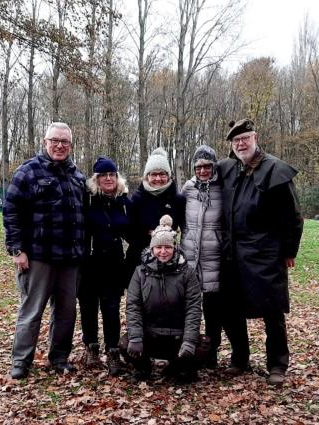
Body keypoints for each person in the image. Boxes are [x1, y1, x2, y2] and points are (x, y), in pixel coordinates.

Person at [218, 118, 303, 386]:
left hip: (265, 253)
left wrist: (289, 250)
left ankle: (277, 364)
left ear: (255, 138)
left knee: (272, 311)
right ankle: (240, 358)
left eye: (245, 139)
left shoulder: (275, 170)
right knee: (231, 309)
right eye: (236, 141)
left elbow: (293, 216)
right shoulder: (228, 168)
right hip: (232, 253)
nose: (241, 144)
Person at [3, 122, 85, 380]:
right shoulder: (28, 172)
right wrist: (17, 249)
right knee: (31, 312)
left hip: (70, 258)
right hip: (38, 257)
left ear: (70, 145)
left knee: (66, 313)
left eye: (65, 141)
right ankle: (21, 361)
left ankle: (59, 358)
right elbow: (11, 211)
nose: (60, 145)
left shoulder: (77, 176)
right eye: (55, 140)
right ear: (45, 141)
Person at [121, 215, 202, 383]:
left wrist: (189, 340)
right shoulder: (140, 272)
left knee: (202, 347)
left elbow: (193, 308)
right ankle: (143, 368)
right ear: (152, 249)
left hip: (177, 335)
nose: (163, 252)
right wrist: (136, 337)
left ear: (175, 248)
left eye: (168, 247)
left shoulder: (187, 273)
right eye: (158, 247)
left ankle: (177, 368)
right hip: (150, 335)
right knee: (125, 343)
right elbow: (133, 307)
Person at [78, 156, 131, 376]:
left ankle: (112, 352)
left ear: (117, 178)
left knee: (111, 309)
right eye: (103, 175)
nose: (108, 178)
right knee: (88, 307)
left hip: (113, 263)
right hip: (89, 262)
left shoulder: (123, 201)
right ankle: (91, 347)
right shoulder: (87, 199)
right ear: (96, 179)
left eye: (112, 174)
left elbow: (132, 230)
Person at [180, 145, 224, 368]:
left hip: (214, 256)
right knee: (190, 307)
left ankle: (211, 351)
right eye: (199, 167)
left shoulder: (222, 188)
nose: (203, 171)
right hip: (189, 256)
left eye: (207, 166)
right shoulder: (188, 188)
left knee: (213, 309)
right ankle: (188, 350)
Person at [125, 147, 186, 277]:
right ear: (147, 176)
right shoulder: (137, 198)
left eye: (162, 174)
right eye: (153, 174)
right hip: (139, 261)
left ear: (168, 176)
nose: (158, 178)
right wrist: (149, 233)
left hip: (168, 260)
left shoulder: (178, 200)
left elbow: (185, 231)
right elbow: (129, 233)